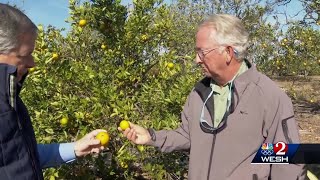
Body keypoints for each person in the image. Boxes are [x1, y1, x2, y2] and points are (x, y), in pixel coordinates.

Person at [119, 14, 306, 179]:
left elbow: (287, 164)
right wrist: (151, 137)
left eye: (202, 52)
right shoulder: (200, 92)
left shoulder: (269, 97)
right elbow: (187, 135)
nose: (196, 59)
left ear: (228, 52)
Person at [0, 3, 106, 179]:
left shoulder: (11, 97)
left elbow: (19, 156)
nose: (32, 63)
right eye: (25, 54)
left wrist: (75, 148)